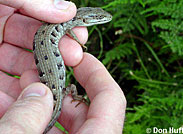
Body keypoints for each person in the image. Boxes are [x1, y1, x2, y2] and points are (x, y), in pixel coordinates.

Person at [0, 0, 126, 133]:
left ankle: (72, 99)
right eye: (98, 18)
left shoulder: (64, 24)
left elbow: (67, 29)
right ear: (83, 19)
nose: (102, 19)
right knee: (66, 82)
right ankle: (74, 99)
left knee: (65, 85)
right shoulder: (64, 24)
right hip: (52, 83)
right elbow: (68, 30)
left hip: (53, 81)